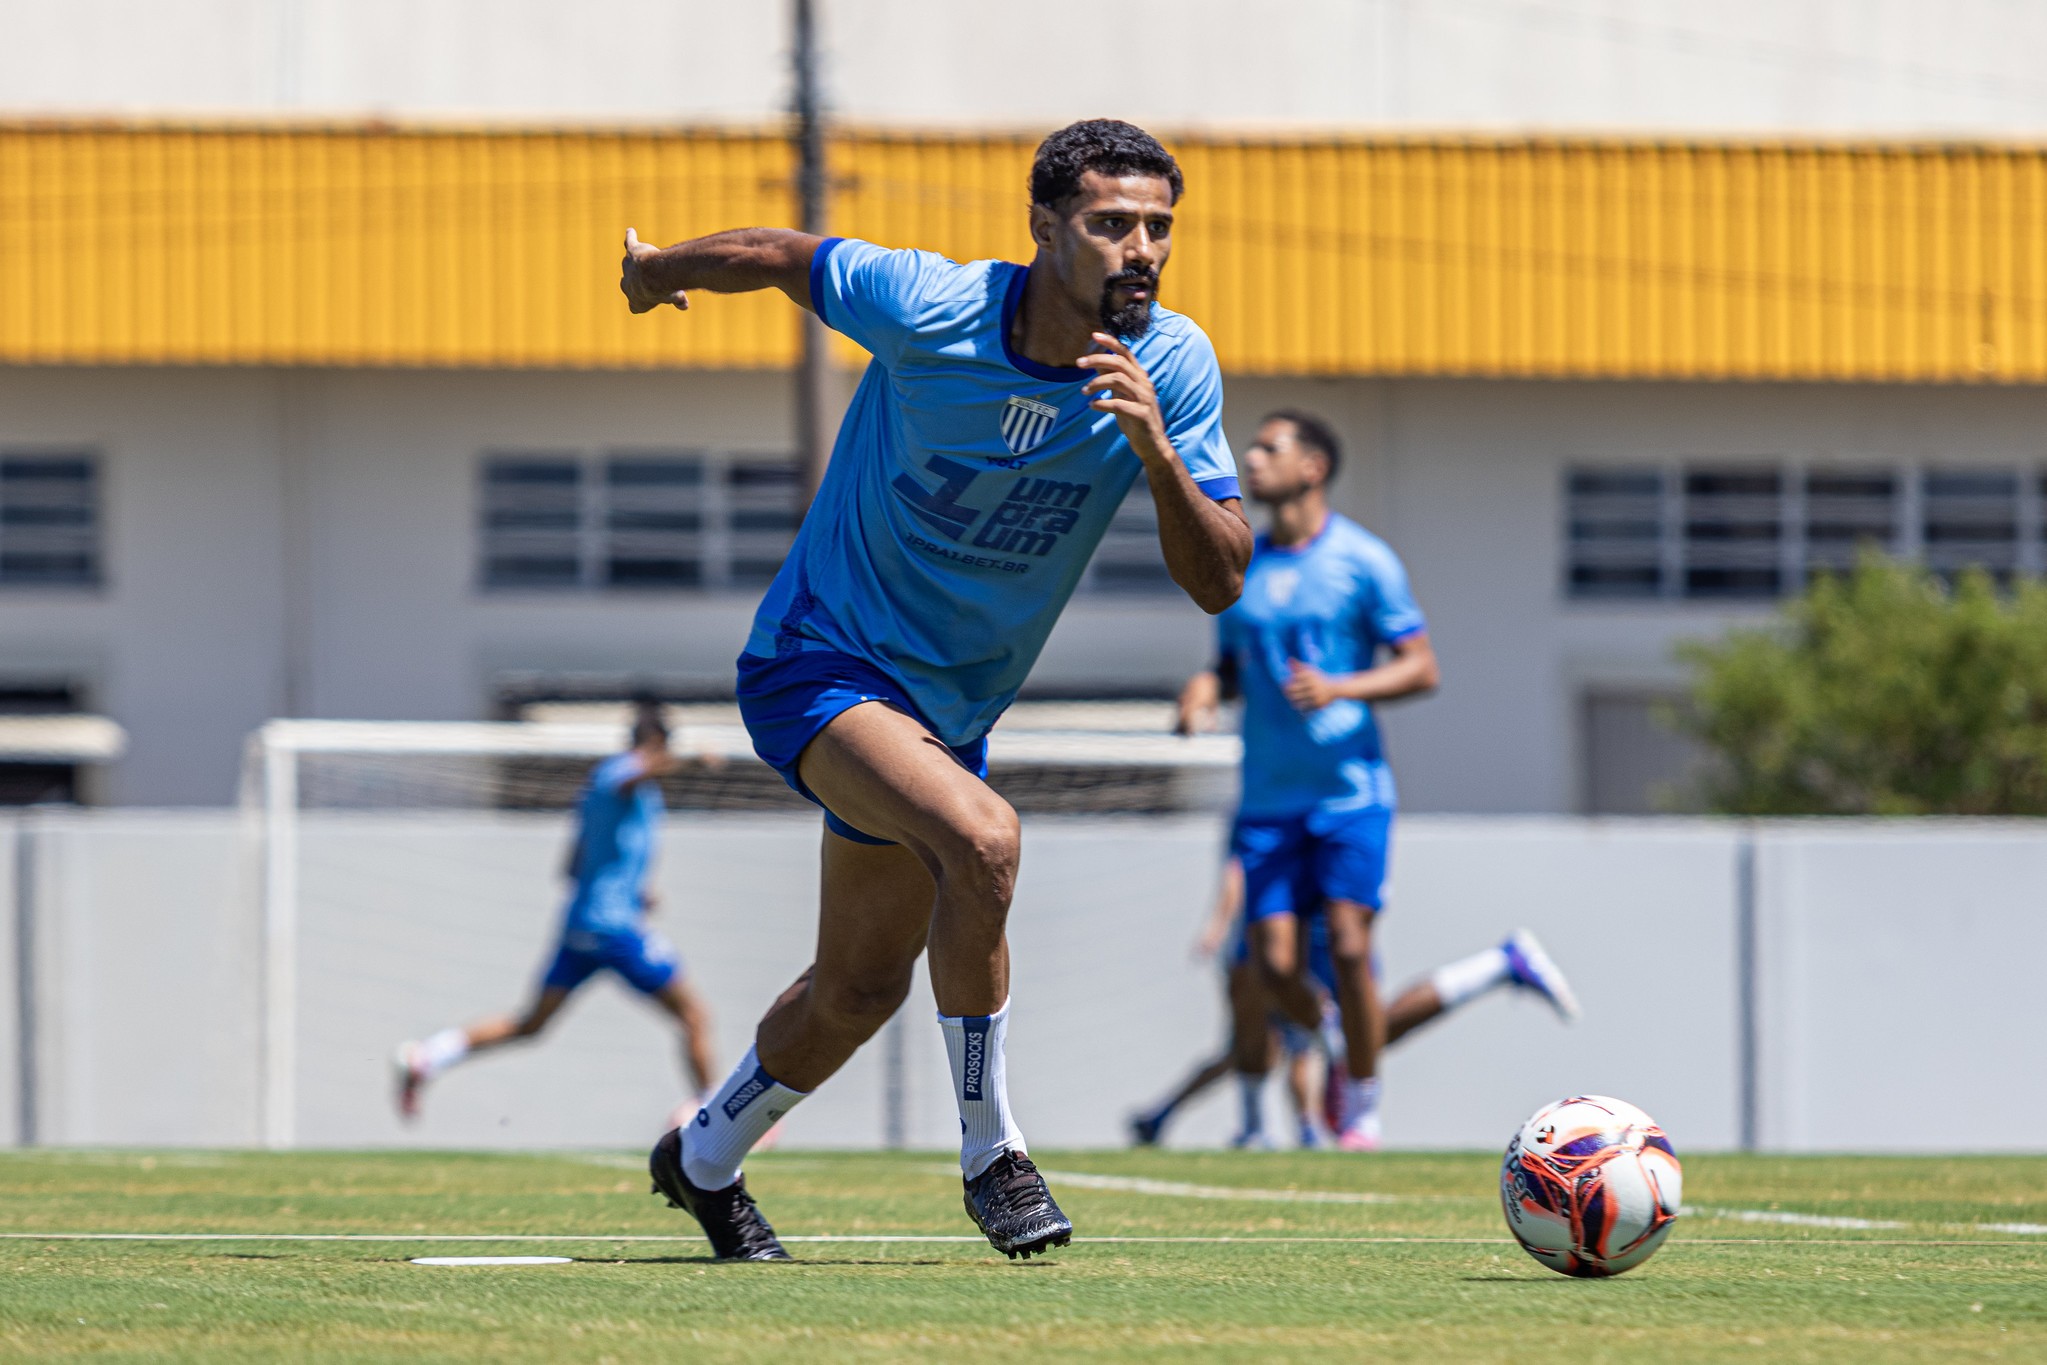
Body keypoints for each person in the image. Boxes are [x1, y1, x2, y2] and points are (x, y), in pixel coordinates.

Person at [618, 120, 1250, 1260]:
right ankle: (992, 1157)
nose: (1140, 248)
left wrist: (1158, 456)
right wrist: (658, 270)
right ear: (1045, 228)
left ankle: (702, 1159)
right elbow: (780, 254)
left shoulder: (1174, 367)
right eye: (1111, 224)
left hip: (945, 720)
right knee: (988, 843)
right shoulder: (932, 304)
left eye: (1158, 226)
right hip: (820, 664)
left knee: (856, 995)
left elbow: (1219, 581)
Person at [1177, 411, 1579, 1151]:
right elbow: (1230, 665)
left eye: (1270, 447)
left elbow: (1421, 666)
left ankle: (1358, 1104)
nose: (1252, 459)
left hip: (1348, 794)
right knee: (1269, 966)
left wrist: (1340, 687)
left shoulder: (1363, 561)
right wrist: (1204, 685)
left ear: (1313, 468)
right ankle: (1337, 1033)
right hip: (1267, 798)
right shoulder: (1244, 569)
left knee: (1354, 947)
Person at [392, 702, 715, 1121]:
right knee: (693, 1014)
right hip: (613, 928)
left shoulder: (608, 792)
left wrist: (635, 890)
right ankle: (716, 1117)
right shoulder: (619, 773)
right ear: (655, 744)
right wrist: (693, 762)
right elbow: (637, 772)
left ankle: (428, 1056)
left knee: (531, 1024)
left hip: (581, 927)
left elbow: (572, 865)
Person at [1131, 857, 1580, 1149]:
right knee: (1297, 1041)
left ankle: (1498, 963)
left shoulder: (1303, 787)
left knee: (1339, 1038)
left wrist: (1219, 924)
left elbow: (1243, 866)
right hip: (1297, 928)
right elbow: (1242, 862)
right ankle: (1226, 1124)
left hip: (1311, 933)